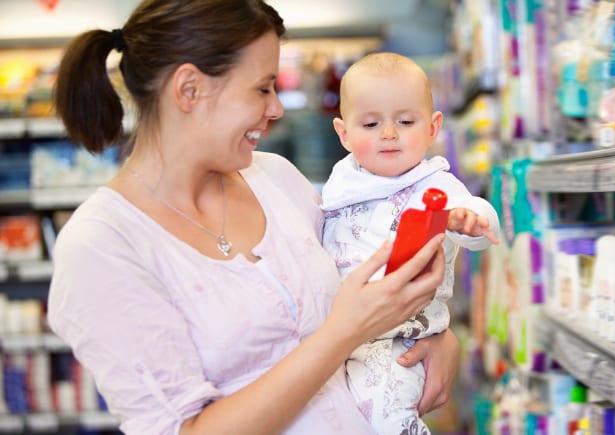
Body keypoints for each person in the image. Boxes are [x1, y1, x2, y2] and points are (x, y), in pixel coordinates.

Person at [47, 1, 462, 434]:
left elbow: (363, 281)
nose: (277, 108)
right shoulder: (102, 246)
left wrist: (436, 337)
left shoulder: (276, 179)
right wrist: (344, 332)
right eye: (262, 88)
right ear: (189, 89)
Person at [320, 52, 500, 435]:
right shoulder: (341, 185)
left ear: (434, 127)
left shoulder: (433, 184)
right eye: (370, 123)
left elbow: (473, 212)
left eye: (405, 121)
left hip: (401, 338)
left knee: (388, 414)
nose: (388, 133)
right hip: (341, 337)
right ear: (344, 133)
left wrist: (469, 221)